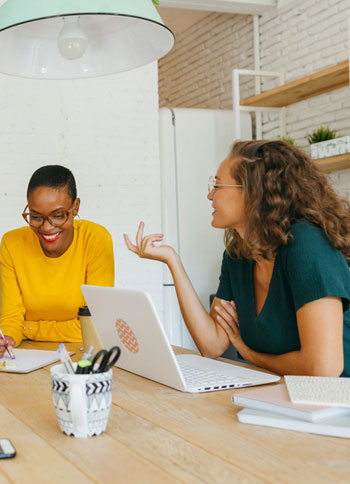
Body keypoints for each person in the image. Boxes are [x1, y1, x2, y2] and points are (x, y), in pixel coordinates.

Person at [125, 139, 350, 377]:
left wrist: (249, 354)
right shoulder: (238, 255)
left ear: (254, 193)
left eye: (218, 186)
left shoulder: (307, 244)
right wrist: (172, 260)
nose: (209, 195)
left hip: (337, 404)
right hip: (285, 397)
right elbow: (212, 345)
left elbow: (324, 368)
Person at [0, 165, 115, 358]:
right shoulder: (12, 243)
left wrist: (27, 328)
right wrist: (3, 339)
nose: (46, 227)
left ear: (75, 207)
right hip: (28, 356)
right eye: (35, 217)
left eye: (58, 215)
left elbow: (94, 326)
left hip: (84, 356)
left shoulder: (95, 239)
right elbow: (11, 319)